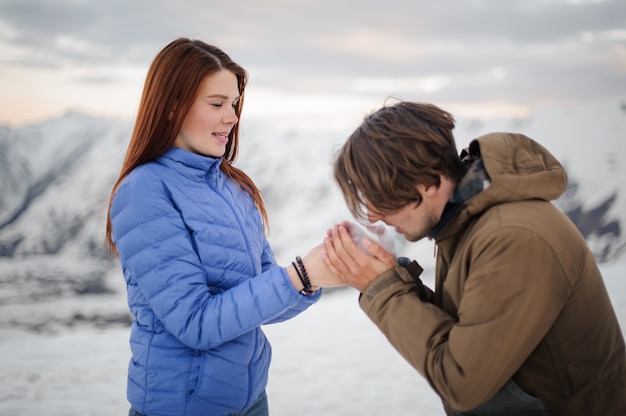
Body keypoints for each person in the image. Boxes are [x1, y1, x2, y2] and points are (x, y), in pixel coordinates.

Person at [323, 101, 626, 415]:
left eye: (383, 197)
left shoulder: (512, 239)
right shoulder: (465, 222)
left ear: (429, 181)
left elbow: (463, 382)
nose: (374, 214)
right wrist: (389, 277)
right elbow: (467, 328)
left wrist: (384, 291)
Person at [104, 38, 337, 416]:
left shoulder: (233, 187)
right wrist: (298, 274)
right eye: (217, 104)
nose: (232, 117)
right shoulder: (145, 191)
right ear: (171, 107)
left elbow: (261, 301)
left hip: (251, 401)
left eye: (234, 104)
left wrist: (317, 274)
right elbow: (195, 323)